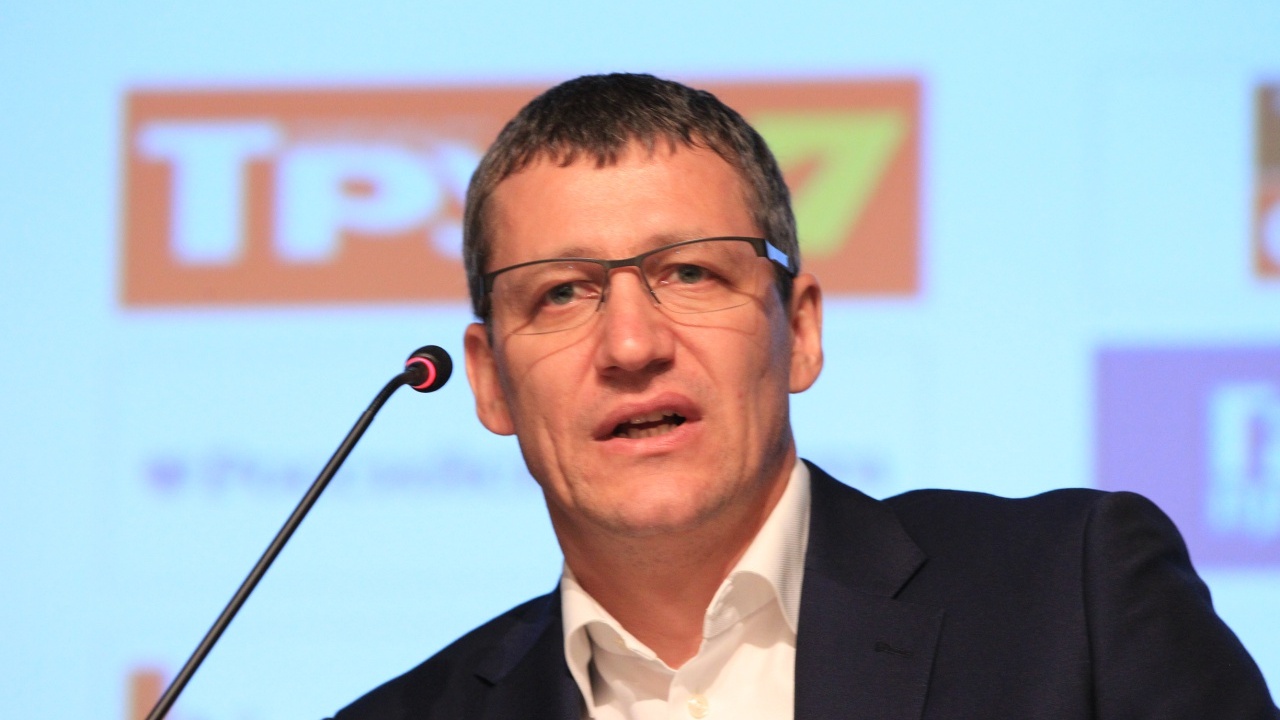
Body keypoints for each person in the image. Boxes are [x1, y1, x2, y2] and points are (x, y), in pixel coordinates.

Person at [332, 73, 1278, 719]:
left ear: (802, 330)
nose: (630, 345)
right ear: (490, 381)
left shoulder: (1074, 599)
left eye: (691, 274)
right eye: (562, 294)